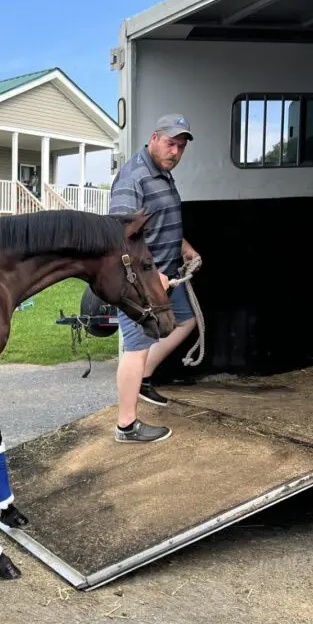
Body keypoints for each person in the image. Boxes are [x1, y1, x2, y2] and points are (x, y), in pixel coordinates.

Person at [107, 114, 201, 444]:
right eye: (170, 143)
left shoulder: (162, 173)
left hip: (167, 274)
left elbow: (162, 219)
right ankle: (126, 426)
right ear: (153, 138)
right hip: (140, 280)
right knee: (137, 348)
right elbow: (120, 234)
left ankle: (144, 378)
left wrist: (184, 246)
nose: (175, 151)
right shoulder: (134, 177)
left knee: (186, 322)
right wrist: (152, 279)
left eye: (181, 146)